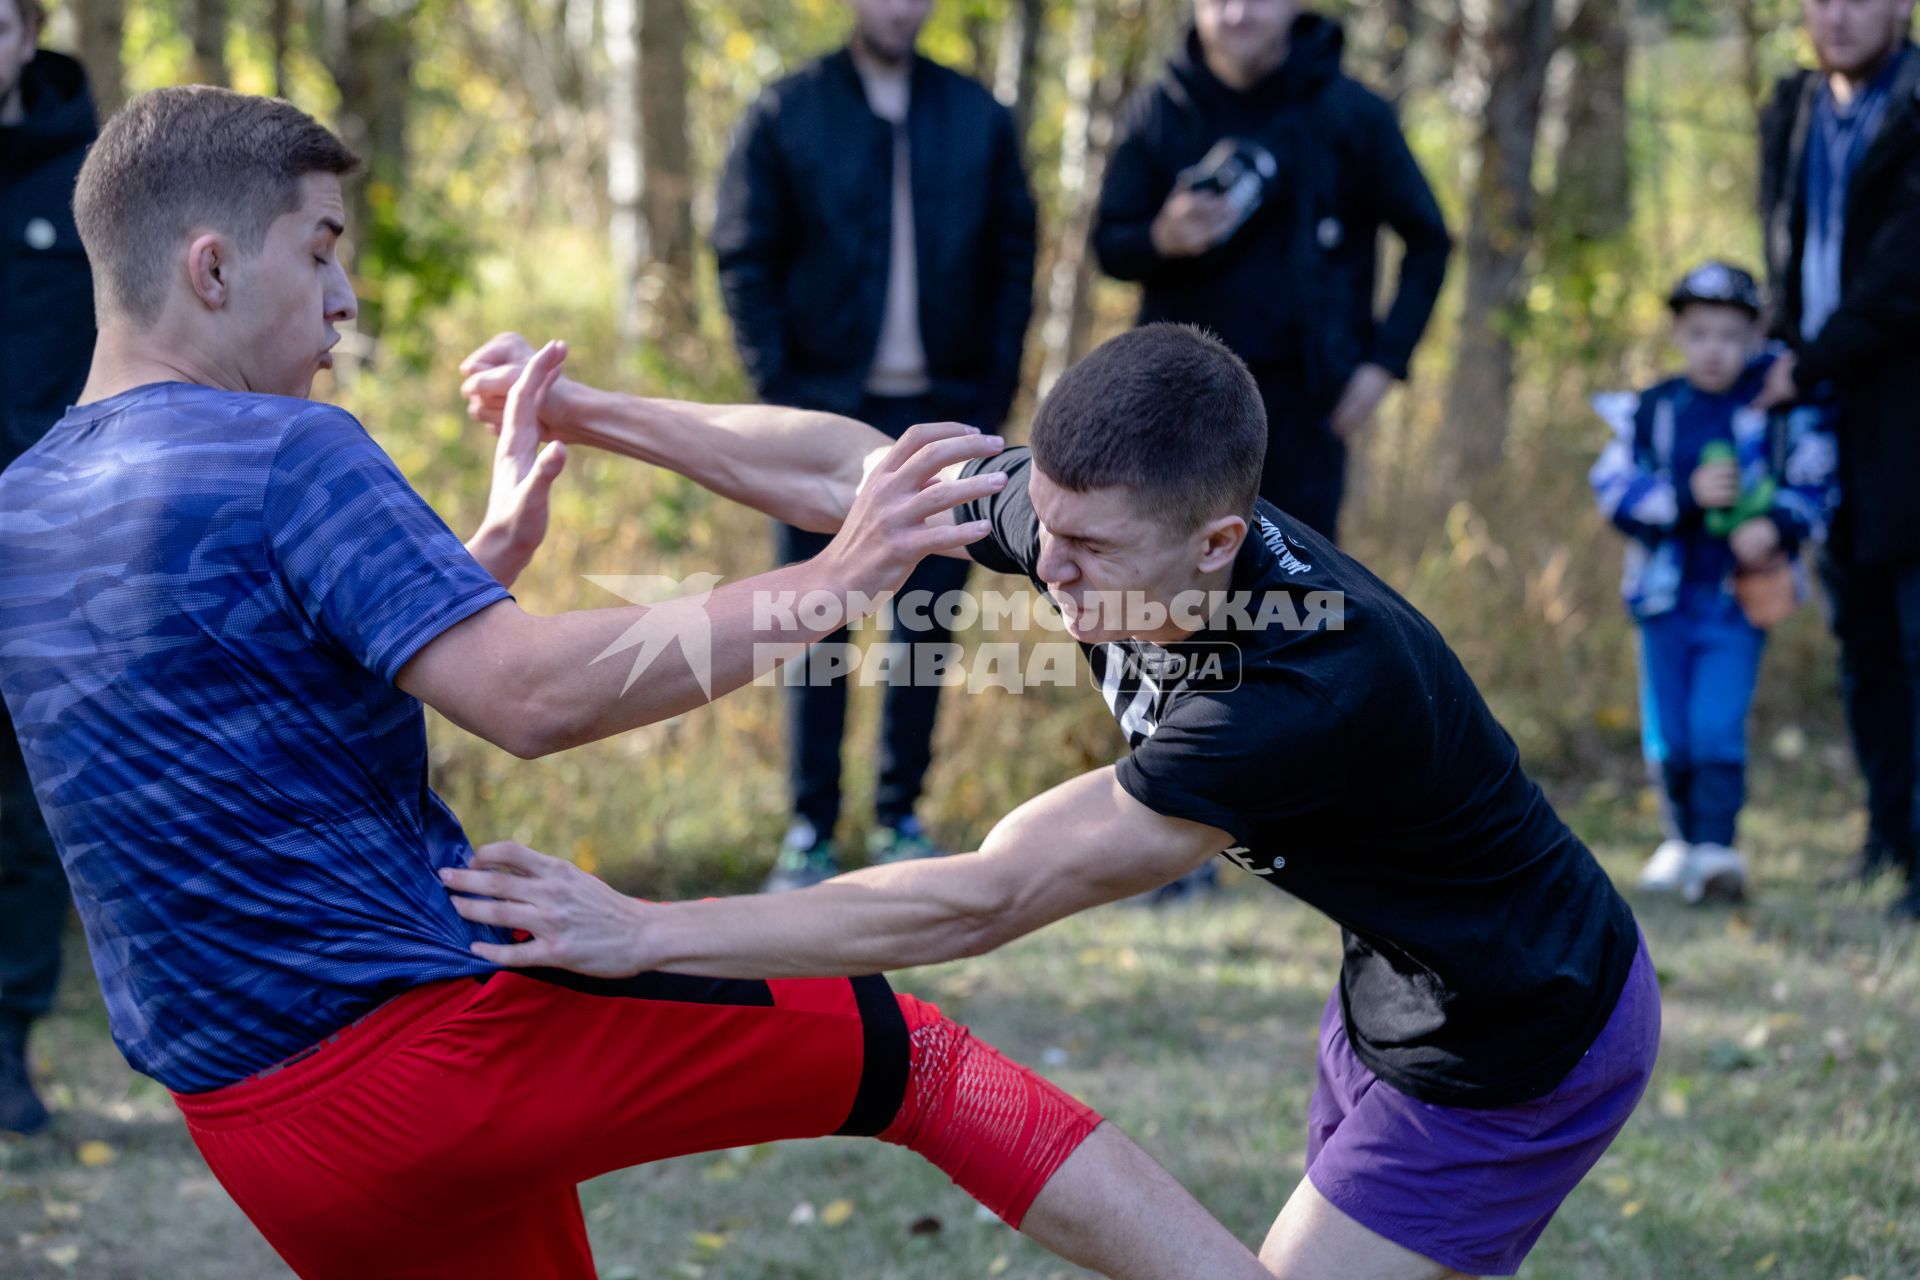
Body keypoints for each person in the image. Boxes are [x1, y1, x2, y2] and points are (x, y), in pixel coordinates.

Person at [0, 87, 1275, 1280]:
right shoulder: (289, 448)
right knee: (914, 1057)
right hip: (428, 1058)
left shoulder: (26, 503)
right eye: (319, 249)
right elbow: (534, 701)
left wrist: (470, 565)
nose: (344, 298)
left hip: (256, 1132)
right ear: (211, 266)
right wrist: (848, 567)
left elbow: (217, 692)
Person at [454, 321, 1660, 1280]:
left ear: (1216, 542)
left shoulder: (1303, 693)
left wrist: (648, 928)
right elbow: (848, 471)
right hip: (1396, 987)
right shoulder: (1093, 509)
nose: (1053, 574)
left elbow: (984, 896)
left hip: (1520, 1034)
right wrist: (586, 410)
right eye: (1050, 533)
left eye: (1091, 554)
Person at [714, 0, 1037, 890]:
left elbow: (1017, 259)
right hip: (824, 416)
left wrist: (990, 396)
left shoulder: (978, 117)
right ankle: (810, 827)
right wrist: (784, 397)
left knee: (924, 625)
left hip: (945, 416)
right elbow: (744, 253)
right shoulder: (789, 112)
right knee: (812, 619)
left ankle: (900, 816)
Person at [1092, 0, 1449, 543]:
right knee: (1169, 597)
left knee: (1295, 603)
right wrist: (1161, 238)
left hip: (1305, 413)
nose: (1236, 14)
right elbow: (1109, 246)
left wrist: (1382, 365)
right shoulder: (1159, 109)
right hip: (1174, 410)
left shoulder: (1353, 114)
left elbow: (1429, 242)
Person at [1590, 262, 1836, 905]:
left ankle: (1717, 847)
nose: (1714, 348)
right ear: (1678, 333)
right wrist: (1683, 498)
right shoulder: (1653, 412)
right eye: (1699, 332)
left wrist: (1779, 525)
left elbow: (1817, 479)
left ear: (1755, 334)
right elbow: (1613, 488)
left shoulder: (1776, 414)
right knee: (1666, 727)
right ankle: (1679, 843)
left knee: (1714, 722)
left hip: (1737, 600)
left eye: (1730, 334)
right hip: (1663, 597)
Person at [1755, 0, 1920, 919]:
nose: (1843, 14)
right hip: (1821, 416)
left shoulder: (1915, 106)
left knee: (1915, 637)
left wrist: (1804, 363)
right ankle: (1887, 838)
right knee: (1862, 641)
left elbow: (1904, 279)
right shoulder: (1794, 108)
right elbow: (1786, 257)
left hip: (1901, 408)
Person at [0, 0, 96, 1137]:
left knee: (26, 813)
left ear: (28, 33)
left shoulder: (94, 181)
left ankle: (10, 1044)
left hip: (47, 554)